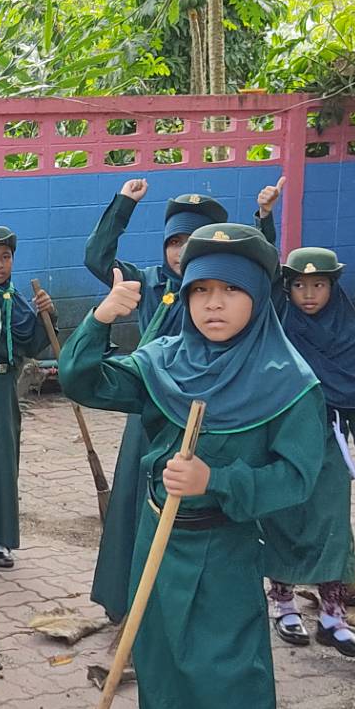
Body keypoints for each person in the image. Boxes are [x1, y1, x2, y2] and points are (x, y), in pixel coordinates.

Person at [60, 223, 326, 709]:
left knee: (227, 682)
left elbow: (296, 479)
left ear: (258, 296)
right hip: (156, 544)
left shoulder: (288, 382)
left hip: (224, 554)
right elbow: (83, 381)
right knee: (162, 675)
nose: (213, 304)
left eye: (231, 290)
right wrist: (101, 320)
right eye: (201, 290)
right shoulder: (165, 360)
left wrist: (218, 481)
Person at [66, 179, 276, 622]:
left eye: (191, 241)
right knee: (135, 503)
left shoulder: (226, 296)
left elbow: (264, 277)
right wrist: (124, 205)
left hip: (213, 419)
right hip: (150, 410)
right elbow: (97, 258)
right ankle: (126, 599)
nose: (181, 252)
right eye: (174, 242)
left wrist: (264, 221)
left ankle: (182, 606)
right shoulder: (148, 283)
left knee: (197, 508)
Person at [260, 245, 355, 656]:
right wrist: (265, 220)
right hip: (281, 439)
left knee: (332, 526)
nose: (308, 294)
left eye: (318, 285)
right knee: (282, 519)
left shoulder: (350, 334)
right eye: (298, 285)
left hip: (330, 442)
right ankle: (284, 605)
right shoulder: (276, 328)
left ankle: (333, 618)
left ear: (333, 287)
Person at [0, 224, 53, 568]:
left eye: (5, 257)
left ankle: (0, 540)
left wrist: (46, 316)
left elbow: (31, 344)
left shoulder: (14, 298)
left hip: (2, 389)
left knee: (1, 463)